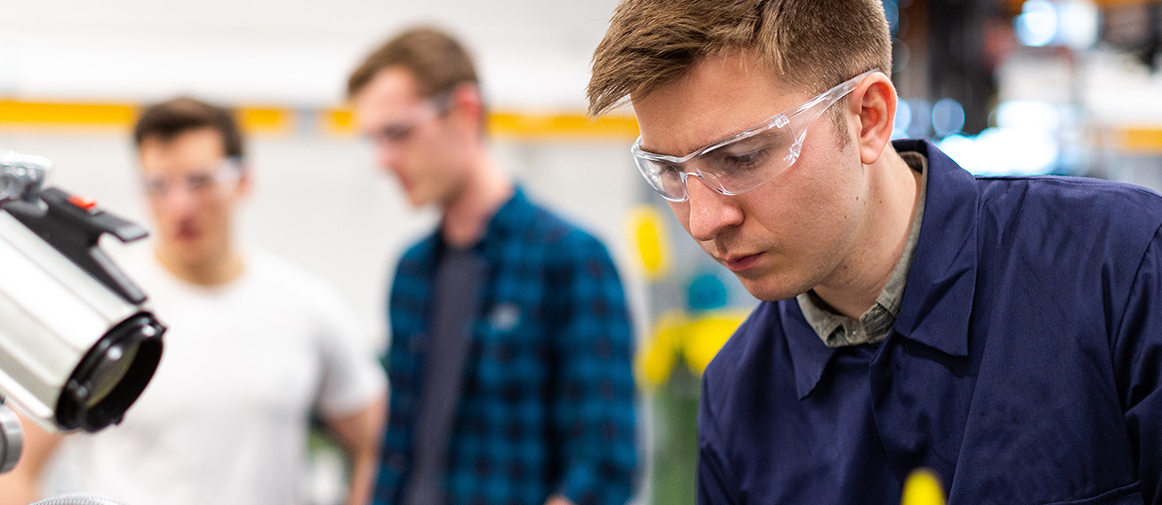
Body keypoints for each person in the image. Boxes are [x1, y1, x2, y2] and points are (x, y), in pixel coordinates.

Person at [587, 0, 1162, 503]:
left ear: (868, 118)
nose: (706, 220)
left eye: (743, 158)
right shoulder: (737, 397)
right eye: (670, 171)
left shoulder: (1122, 269)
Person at [0, 98, 389, 505]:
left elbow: (381, 443)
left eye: (200, 181)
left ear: (243, 180)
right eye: (159, 185)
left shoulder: (307, 307)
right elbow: (15, 467)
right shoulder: (98, 309)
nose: (180, 206)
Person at [347, 27, 639, 505]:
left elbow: (604, 467)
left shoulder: (570, 259)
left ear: (464, 111)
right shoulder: (411, 273)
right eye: (373, 140)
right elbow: (395, 452)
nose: (383, 160)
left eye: (397, 133)